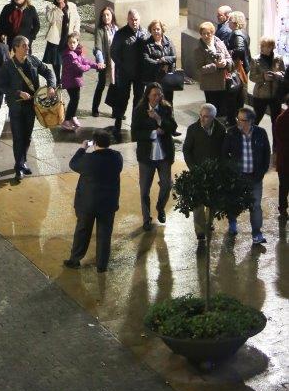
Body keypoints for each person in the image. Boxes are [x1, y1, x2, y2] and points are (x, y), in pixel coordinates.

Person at [64, 131, 123, 273]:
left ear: (95, 143)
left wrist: (82, 148)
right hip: (108, 204)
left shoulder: (88, 159)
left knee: (83, 231)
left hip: (87, 203)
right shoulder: (117, 158)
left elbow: (73, 164)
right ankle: (102, 265)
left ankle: (75, 259)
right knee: (105, 235)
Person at [0, 34, 56, 182]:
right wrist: (18, 92)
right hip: (16, 106)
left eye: (28, 46)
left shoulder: (33, 60)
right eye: (24, 46)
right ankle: (19, 167)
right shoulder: (8, 66)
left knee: (27, 136)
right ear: (16, 47)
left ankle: (22, 161)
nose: (27, 48)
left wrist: (51, 86)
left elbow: (48, 72)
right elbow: (2, 86)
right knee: (18, 137)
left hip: (32, 106)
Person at [131, 82, 177, 231]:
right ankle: (146, 219)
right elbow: (134, 134)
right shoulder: (139, 110)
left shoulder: (166, 108)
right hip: (146, 157)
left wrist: (159, 119)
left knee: (167, 184)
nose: (157, 97)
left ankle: (160, 207)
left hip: (164, 155)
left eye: (159, 94)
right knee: (144, 190)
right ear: (148, 96)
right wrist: (153, 133)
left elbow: (173, 127)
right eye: (154, 95)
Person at [223, 105, 271, 245]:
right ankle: (232, 224)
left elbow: (266, 154)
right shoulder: (231, 133)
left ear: (251, 121)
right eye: (238, 119)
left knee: (255, 206)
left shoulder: (261, 133)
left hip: (255, 178)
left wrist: (261, 172)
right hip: (237, 177)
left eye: (242, 120)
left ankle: (257, 233)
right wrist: (231, 172)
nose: (239, 122)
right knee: (234, 203)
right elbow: (224, 154)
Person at [182, 103, 226, 245]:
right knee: (198, 202)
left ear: (213, 117)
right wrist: (193, 168)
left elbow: (223, 151)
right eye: (201, 115)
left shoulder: (220, 130)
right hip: (198, 171)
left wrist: (220, 167)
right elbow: (187, 150)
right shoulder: (193, 129)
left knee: (213, 201)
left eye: (206, 117)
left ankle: (209, 222)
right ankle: (200, 231)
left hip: (214, 171)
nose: (202, 119)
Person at [110, 10, 148, 141]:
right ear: (128, 19)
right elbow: (113, 52)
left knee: (139, 100)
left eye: (136, 19)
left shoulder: (144, 33)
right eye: (132, 19)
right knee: (122, 99)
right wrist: (122, 66)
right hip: (125, 73)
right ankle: (118, 123)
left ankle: (135, 124)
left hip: (139, 74)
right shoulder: (120, 34)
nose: (134, 21)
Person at [192, 21, 233, 120]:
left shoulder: (219, 43)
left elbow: (229, 58)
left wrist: (225, 62)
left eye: (209, 33)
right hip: (210, 85)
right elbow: (199, 69)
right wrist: (215, 66)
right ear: (200, 34)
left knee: (223, 109)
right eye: (204, 34)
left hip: (223, 82)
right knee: (212, 110)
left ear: (213, 32)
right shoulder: (198, 49)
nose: (207, 36)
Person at [60, 32, 100, 130]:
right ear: (67, 43)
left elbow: (85, 61)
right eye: (70, 43)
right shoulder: (69, 55)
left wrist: (96, 65)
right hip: (70, 81)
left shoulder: (77, 52)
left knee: (76, 99)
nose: (72, 44)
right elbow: (80, 67)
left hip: (75, 81)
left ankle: (73, 116)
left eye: (74, 42)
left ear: (78, 42)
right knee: (74, 100)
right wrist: (89, 67)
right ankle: (66, 120)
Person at [43, 0, 81, 85]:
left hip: (68, 37)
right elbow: (50, 19)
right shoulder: (50, 7)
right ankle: (58, 79)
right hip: (55, 38)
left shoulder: (72, 6)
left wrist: (76, 31)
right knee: (56, 61)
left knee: (67, 59)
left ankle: (65, 77)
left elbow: (77, 20)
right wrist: (58, 9)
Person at [249, 37, 285, 138]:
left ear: (271, 47)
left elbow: (284, 73)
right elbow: (251, 77)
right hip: (260, 95)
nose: (262, 48)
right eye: (262, 46)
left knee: (276, 122)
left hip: (275, 95)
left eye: (265, 46)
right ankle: (251, 140)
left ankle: (276, 147)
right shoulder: (256, 60)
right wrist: (263, 77)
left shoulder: (278, 58)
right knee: (256, 120)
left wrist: (279, 75)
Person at [141, 20, 179, 108]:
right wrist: (160, 63)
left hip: (167, 78)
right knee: (154, 101)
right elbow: (146, 60)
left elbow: (174, 57)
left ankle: (168, 120)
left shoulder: (168, 41)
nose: (156, 31)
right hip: (153, 78)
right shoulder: (146, 44)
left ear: (162, 30)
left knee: (168, 101)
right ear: (150, 31)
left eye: (158, 29)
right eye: (153, 29)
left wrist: (164, 59)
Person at [92, 5, 117, 117]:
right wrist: (100, 62)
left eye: (108, 15)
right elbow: (98, 48)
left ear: (112, 16)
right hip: (104, 61)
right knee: (101, 85)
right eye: (104, 15)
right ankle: (95, 108)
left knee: (114, 86)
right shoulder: (100, 30)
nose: (106, 17)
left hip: (115, 63)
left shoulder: (116, 29)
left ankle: (115, 111)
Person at [275, 98, 289, 224]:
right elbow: (282, 141)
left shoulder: (281, 118)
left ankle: (283, 209)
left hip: (284, 160)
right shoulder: (283, 119)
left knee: (284, 186)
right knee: (284, 186)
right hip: (285, 160)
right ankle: (283, 209)